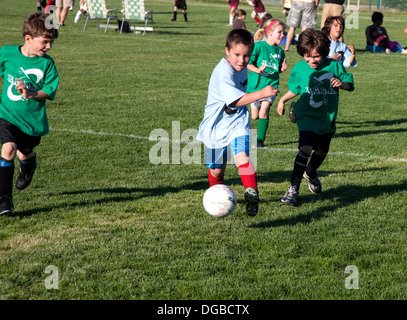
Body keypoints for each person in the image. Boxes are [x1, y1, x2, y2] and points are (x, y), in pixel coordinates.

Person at [196, 29, 278, 216]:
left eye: (246, 55)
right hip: (215, 125)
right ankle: (216, 195)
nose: (242, 60)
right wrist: (262, 94)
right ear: (227, 51)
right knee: (216, 170)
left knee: (243, 158)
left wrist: (260, 73)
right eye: (237, 55)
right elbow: (233, 100)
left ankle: (252, 195)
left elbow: (240, 98)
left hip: (238, 121)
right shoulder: (223, 71)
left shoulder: (242, 67)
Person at [277, 29, 354, 206]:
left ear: (324, 52)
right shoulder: (299, 68)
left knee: (322, 151)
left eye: (316, 56)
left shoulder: (334, 66)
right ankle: (292, 190)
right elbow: (296, 89)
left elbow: (350, 85)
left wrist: (341, 84)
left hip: (326, 118)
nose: (312, 60)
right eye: (307, 56)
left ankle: (311, 173)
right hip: (306, 115)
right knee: (305, 148)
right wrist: (282, 99)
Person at [0, 12, 59, 215]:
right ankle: (4, 201)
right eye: (45, 42)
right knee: (8, 149)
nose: (48, 47)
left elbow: (49, 91)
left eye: (51, 42)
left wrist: (31, 93)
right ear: (28, 39)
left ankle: (29, 164)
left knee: (24, 152)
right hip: (6, 115)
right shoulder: (6, 53)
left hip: (32, 121)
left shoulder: (47, 64)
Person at [247, 19, 287, 148]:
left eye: (283, 32)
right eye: (279, 32)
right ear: (270, 33)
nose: (282, 35)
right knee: (254, 116)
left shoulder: (280, 52)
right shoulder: (258, 46)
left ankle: (260, 141)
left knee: (264, 111)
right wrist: (258, 70)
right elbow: (248, 64)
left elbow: (276, 71)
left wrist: (282, 69)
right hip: (256, 86)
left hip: (271, 86)